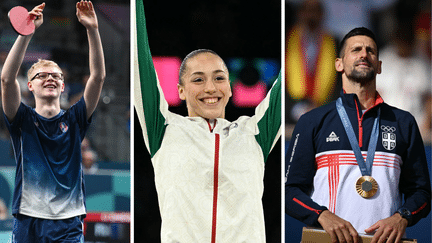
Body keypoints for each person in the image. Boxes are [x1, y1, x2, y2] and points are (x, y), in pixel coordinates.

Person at [133, 1, 281, 242]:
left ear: (230, 88)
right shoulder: (163, 129)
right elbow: (139, 55)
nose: (210, 88)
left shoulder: (255, 134)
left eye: (219, 78)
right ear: (180, 90)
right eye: (198, 80)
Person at [285, 27, 431, 243]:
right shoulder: (312, 121)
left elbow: (422, 194)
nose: (364, 54)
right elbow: (289, 192)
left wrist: (402, 217)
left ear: (379, 66)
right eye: (356, 49)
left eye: (370, 50)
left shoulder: (403, 122)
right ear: (339, 63)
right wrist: (322, 215)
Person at [1, 1, 105, 242]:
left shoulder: (76, 119)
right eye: (42, 75)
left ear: (63, 85)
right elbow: (6, 80)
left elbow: (98, 77)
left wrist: (92, 29)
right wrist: (26, 34)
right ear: (30, 85)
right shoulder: (22, 119)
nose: (50, 78)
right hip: (28, 219)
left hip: (68, 221)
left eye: (56, 76)